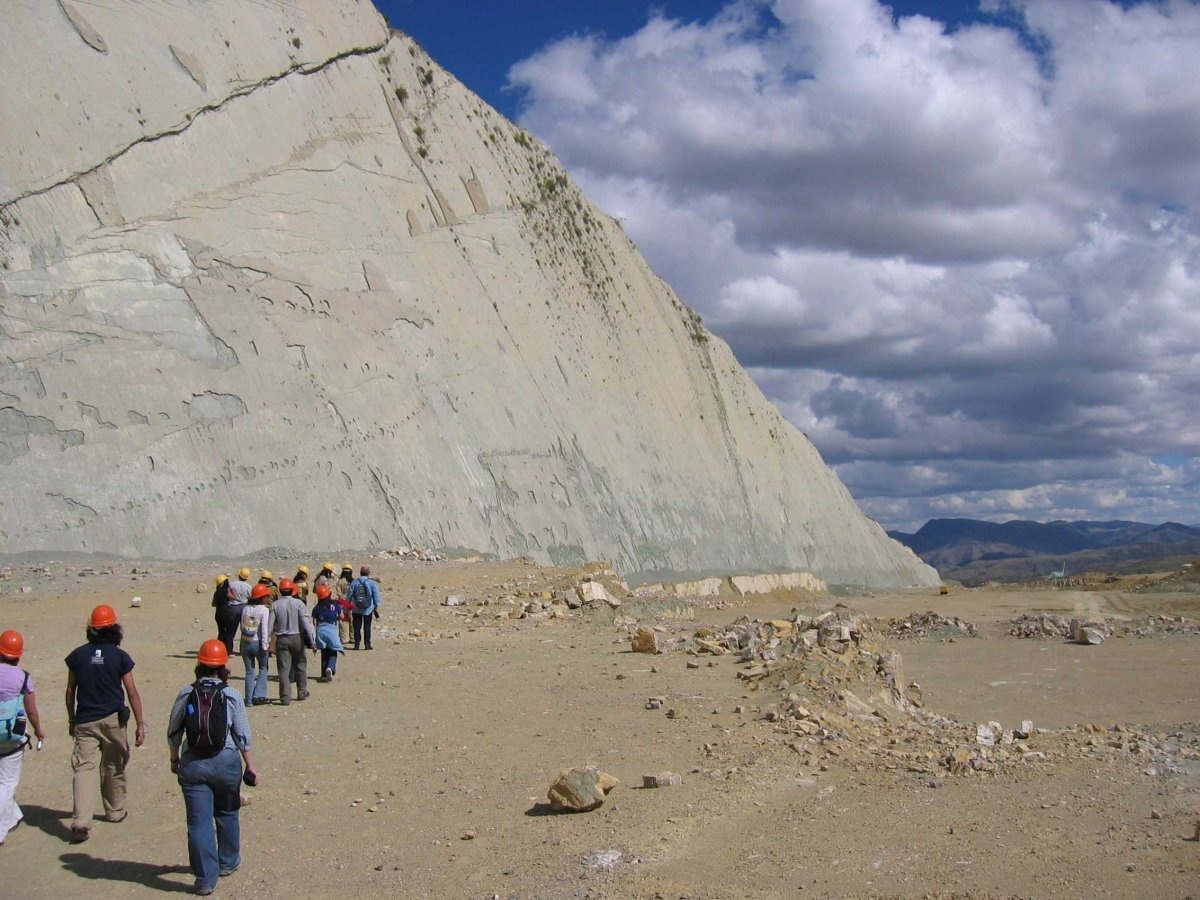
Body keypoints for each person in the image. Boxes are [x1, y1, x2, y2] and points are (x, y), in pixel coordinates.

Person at [167, 640, 258, 896]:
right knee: (228, 811)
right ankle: (228, 862)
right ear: (223, 667)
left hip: (193, 763)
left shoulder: (186, 692)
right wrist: (250, 766)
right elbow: (242, 734)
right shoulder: (231, 695)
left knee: (198, 823)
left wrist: (175, 759)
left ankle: (205, 879)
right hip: (226, 761)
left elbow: (174, 731)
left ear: (199, 664)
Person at [64, 604, 146, 842]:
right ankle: (115, 810)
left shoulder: (78, 656)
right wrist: (140, 723)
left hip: (85, 721)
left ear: (91, 629)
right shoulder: (120, 657)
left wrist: (71, 717)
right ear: (115, 629)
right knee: (113, 766)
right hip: (112, 721)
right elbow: (132, 691)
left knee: (84, 770)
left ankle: (81, 820)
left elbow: (70, 691)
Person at [0, 630, 45, 845]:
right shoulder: (23, 677)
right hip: (11, 736)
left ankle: (14, 816)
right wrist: (38, 730)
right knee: (7, 782)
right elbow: (31, 710)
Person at [268, 585, 315, 705]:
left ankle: (285, 697)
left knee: (284, 669)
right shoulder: (299, 603)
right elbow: (306, 622)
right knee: (300, 665)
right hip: (297, 637)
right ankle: (302, 691)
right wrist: (312, 640)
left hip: (282, 639)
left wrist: (267, 640)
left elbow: (270, 625)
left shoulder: (275, 605)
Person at [238, 585, 271, 706]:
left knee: (249, 672)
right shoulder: (264, 610)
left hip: (245, 641)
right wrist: (265, 645)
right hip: (257, 642)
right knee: (263, 668)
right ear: (262, 598)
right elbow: (264, 629)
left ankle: (248, 700)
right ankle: (259, 695)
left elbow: (242, 625)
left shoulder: (246, 609)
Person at [311, 585, 344, 682]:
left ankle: (323, 675)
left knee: (324, 652)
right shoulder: (335, 604)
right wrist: (336, 618)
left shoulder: (317, 608)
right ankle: (330, 668)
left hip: (321, 630)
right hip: (332, 629)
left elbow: (314, 622)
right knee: (333, 650)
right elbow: (341, 616)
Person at [347, 565, 381, 651]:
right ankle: (367, 644)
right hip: (368, 609)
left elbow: (349, 596)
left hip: (356, 609)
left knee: (357, 628)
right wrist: (376, 608)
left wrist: (348, 606)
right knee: (367, 627)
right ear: (368, 573)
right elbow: (376, 596)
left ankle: (357, 644)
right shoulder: (371, 582)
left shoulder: (354, 582)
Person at [315, 563, 347, 644]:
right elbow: (327, 591)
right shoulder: (324, 580)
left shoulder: (318, 579)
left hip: (319, 600)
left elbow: (314, 590)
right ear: (328, 571)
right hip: (326, 600)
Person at [212, 575, 244, 656]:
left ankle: (218, 649)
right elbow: (234, 597)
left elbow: (213, 604)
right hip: (227, 613)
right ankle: (229, 651)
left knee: (221, 632)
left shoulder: (216, 592)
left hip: (218, 613)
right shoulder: (226, 591)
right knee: (229, 633)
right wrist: (232, 590)